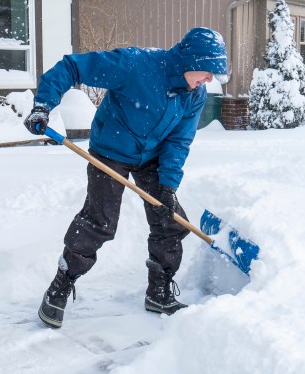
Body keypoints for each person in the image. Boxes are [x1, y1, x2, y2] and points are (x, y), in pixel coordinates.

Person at [24, 27, 229, 328]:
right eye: (208, 71)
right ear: (191, 60)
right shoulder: (136, 64)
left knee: (169, 220)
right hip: (111, 149)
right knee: (100, 221)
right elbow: (73, 66)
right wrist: (43, 105)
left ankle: (158, 292)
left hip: (152, 155)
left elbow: (179, 141)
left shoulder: (194, 94)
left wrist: (168, 187)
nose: (210, 80)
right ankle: (61, 285)